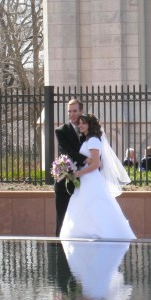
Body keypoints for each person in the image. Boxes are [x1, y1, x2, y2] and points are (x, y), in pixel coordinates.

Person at [59, 113, 135, 240]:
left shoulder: (93, 140)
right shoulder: (89, 139)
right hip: (86, 179)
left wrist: (78, 173)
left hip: (90, 179)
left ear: (90, 125)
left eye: (84, 123)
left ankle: (99, 233)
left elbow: (96, 164)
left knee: (94, 206)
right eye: (80, 123)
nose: (80, 125)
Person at [54, 98, 91, 237]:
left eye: (75, 111)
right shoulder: (61, 130)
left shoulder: (88, 131)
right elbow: (68, 152)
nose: (72, 114)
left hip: (85, 184)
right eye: (69, 111)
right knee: (62, 224)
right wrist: (87, 159)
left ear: (81, 111)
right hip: (65, 185)